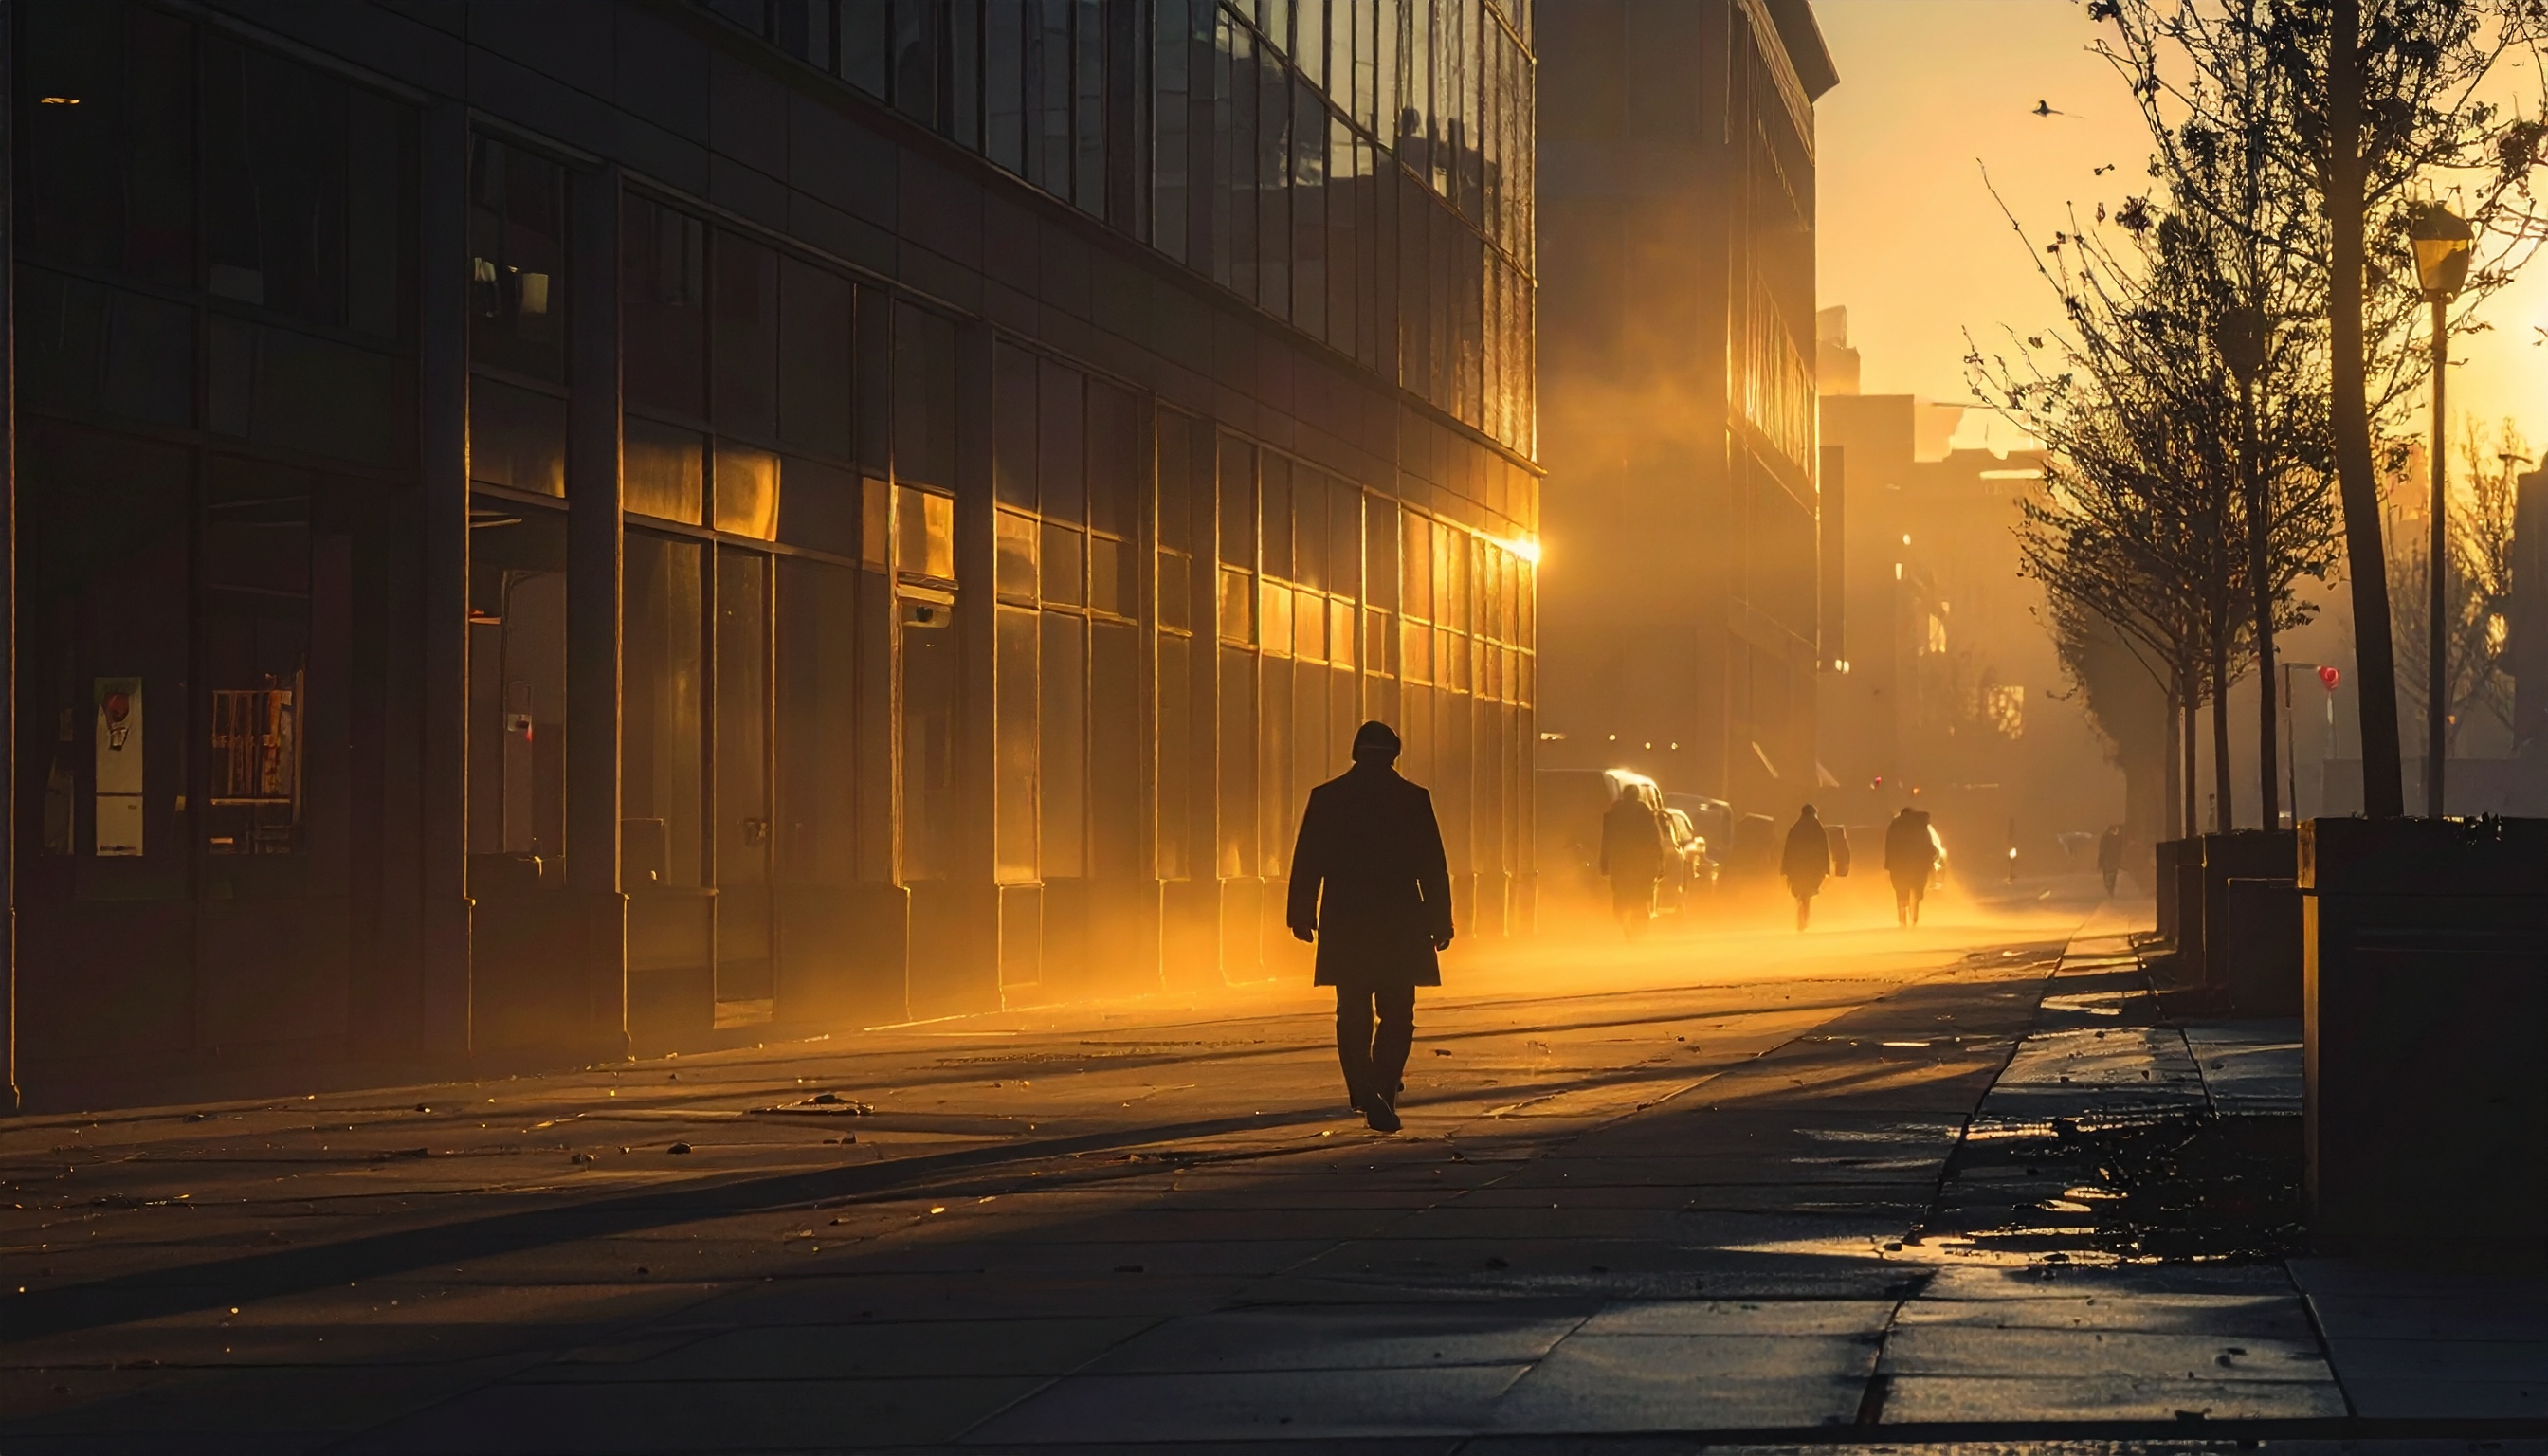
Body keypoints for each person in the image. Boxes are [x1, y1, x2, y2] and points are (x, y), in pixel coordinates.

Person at [1288, 720, 1454, 1134]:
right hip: (1401, 919)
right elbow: (1432, 866)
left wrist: (1301, 913)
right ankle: (1380, 1086)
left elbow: (1308, 859)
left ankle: (1364, 1087)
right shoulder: (1413, 799)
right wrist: (1439, 921)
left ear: (1355, 753)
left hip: (1346, 918)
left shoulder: (1328, 798)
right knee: (1398, 1014)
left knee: (1352, 1010)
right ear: (1395, 755)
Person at [1597, 782, 1668, 938]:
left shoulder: (1614, 812)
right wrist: (1660, 863)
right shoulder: (1645, 812)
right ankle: (1638, 925)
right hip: (1643, 864)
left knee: (1622, 895)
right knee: (1642, 896)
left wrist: (1604, 864)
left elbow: (1606, 840)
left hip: (1621, 864)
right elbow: (1656, 840)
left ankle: (1626, 921)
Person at [1884, 807, 1941, 927]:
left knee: (1900, 892)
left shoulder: (1896, 825)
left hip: (1899, 864)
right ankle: (1914, 918)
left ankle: (1902, 918)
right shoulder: (1920, 825)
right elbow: (1928, 843)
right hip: (1918, 864)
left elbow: (1890, 844)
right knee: (1917, 890)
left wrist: (1889, 863)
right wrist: (1931, 857)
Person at [1782, 805, 1832, 930]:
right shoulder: (1818, 828)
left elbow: (1788, 850)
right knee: (1807, 895)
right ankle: (1804, 917)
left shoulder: (1796, 828)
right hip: (1813, 868)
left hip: (1797, 868)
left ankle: (1802, 915)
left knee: (1800, 894)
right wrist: (1826, 869)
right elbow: (1824, 850)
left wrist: (1785, 869)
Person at [2097, 824, 2123, 896]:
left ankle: (2109, 887)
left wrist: (2100, 859)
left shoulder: (2105, 836)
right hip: (2115, 858)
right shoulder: (2119, 837)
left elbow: (2101, 848)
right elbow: (2121, 848)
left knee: (2107, 873)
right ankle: (2111, 888)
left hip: (2107, 858)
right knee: (2113, 873)